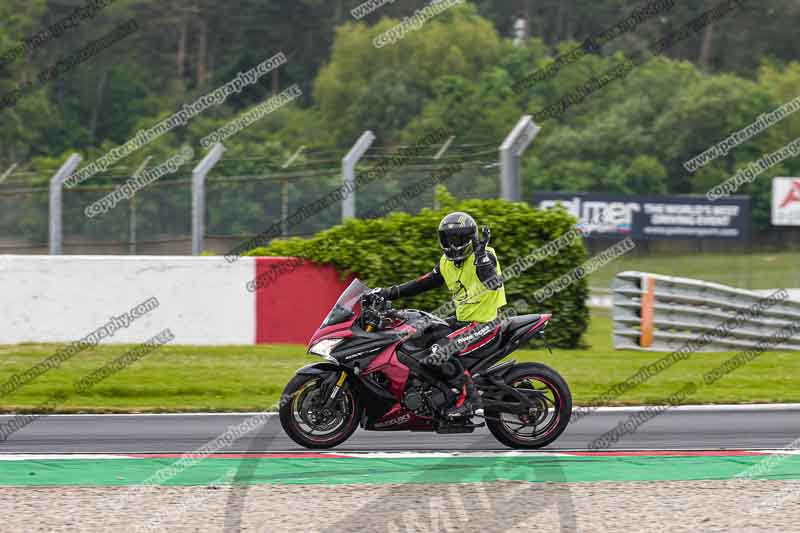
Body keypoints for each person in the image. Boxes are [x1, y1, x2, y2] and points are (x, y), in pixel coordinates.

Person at [376, 211, 507, 420]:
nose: (453, 245)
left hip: (487, 322)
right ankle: (435, 395)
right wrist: (388, 292)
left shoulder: (485, 254)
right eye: (448, 239)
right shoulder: (447, 263)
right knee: (417, 336)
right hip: (463, 321)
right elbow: (423, 282)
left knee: (440, 351)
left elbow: (492, 281)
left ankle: (469, 398)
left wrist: (480, 255)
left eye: (458, 239)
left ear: (470, 238)